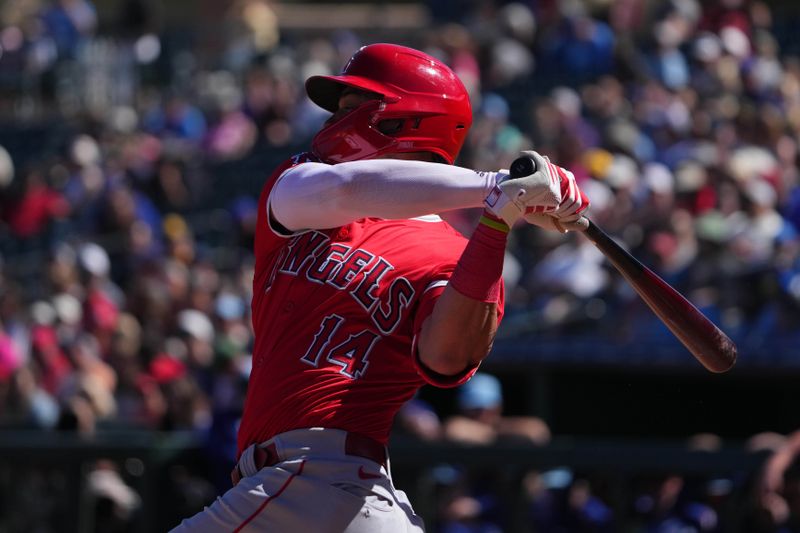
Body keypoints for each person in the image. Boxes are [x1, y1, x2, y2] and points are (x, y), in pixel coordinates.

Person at [171, 42, 589, 532]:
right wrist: (493, 184)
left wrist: (499, 220)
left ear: (408, 119)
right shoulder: (300, 183)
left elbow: (446, 357)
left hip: (321, 476)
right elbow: (350, 188)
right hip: (311, 489)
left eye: (354, 106)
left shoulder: (455, 253)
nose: (334, 121)